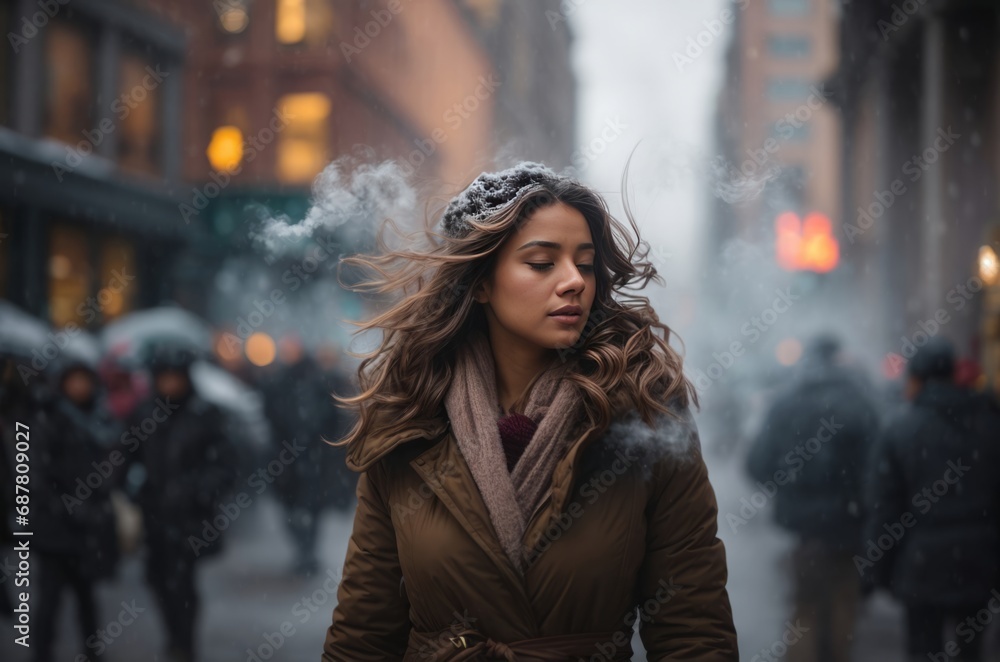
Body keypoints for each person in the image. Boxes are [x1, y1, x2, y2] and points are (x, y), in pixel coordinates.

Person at [321, 162, 738, 660]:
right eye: (542, 263)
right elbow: (363, 634)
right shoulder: (412, 416)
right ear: (479, 282)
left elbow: (693, 630)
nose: (573, 282)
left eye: (584, 264)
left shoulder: (644, 412)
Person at [863, 336, 1000, 662]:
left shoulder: (900, 429)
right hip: (980, 561)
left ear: (917, 379)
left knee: (924, 648)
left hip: (922, 566)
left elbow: (885, 509)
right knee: (971, 650)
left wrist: (875, 570)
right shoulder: (990, 423)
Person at [745, 334, 880, 662]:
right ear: (839, 358)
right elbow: (878, 470)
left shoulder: (786, 402)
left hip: (803, 530)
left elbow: (756, 464)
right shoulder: (860, 401)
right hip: (849, 527)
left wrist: (789, 490)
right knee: (843, 605)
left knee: (804, 608)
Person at [120, 340, 238, 662]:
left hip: (192, 519)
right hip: (154, 515)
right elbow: (123, 459)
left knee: (182, 583)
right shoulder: (143, 414)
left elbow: (225, 466)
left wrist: (194, 489)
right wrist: (133, 488)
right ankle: (174, 637)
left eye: (176, 377)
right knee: (157, 579)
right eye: (164, 377)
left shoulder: (206, 414)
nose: (170, 383)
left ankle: (183, 644)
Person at [30, 356, 121, 662]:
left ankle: (93, 653)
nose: (80, 387)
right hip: (54, 528)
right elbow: (33, 475)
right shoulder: (47, 419)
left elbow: (111, 468)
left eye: (85, 380)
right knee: (49, 600)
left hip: (88, 527)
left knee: (87, 597)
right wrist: (65, 506)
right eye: (74, 380)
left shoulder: (102, 420)